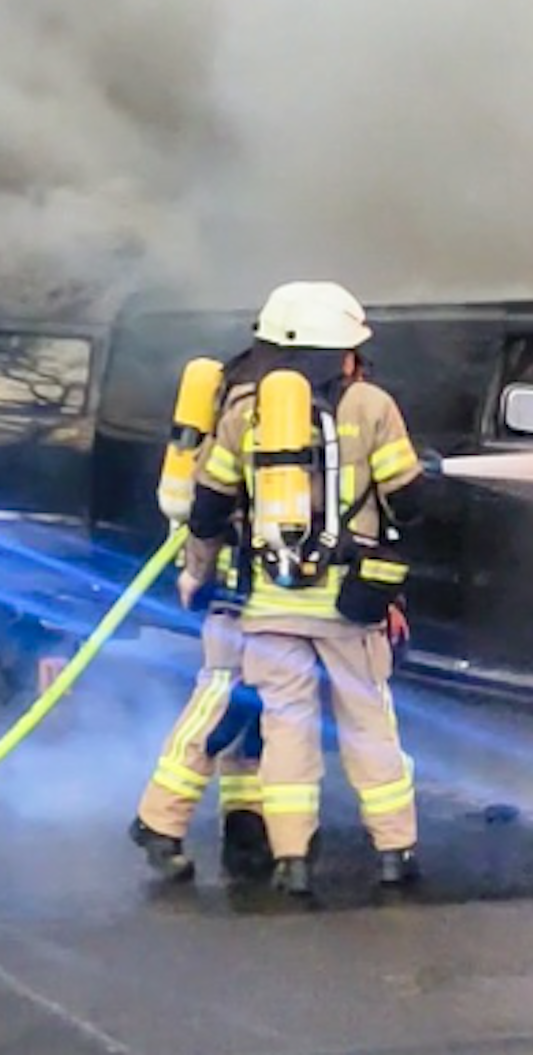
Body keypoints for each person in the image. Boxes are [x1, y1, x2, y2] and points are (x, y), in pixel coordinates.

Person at [182, 281, 427, 896]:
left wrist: (197, 573)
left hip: (269, 606)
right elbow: (411, 504)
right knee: (369, 725)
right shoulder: (373, 406)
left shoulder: (244, 411)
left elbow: (207, 510)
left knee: (287, 728)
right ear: (345, 350)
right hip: (350, 605)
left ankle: (291, 861)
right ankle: (394, 851)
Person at [128, 343, 275, 883]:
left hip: (272, 585)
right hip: (238, 583)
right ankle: (157, 820)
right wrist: (199, 570)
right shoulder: (255, 407)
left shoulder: (273, 394)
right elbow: (213, 502)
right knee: (222, 694)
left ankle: (245, 817)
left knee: (261, 705)